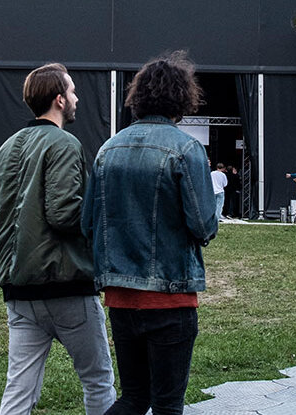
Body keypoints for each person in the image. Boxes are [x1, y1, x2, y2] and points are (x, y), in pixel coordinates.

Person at [83, 51, 219, 415]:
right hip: (171, 296)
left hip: (120, 296)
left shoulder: (107, 150)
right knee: (167, 405)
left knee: (133, 397)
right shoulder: (186, 148)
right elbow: (204, 225)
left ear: (138, 97)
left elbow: (87, 224)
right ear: (182, 98)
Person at [0, 63, 115, 415]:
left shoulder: (4, 150)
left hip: (18, 288)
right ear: (59, 100)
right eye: (72, 91)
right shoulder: (64, 144)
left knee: (19, 388)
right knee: (98, 380)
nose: (77, 98)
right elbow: (64, 213)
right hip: (65, 285)